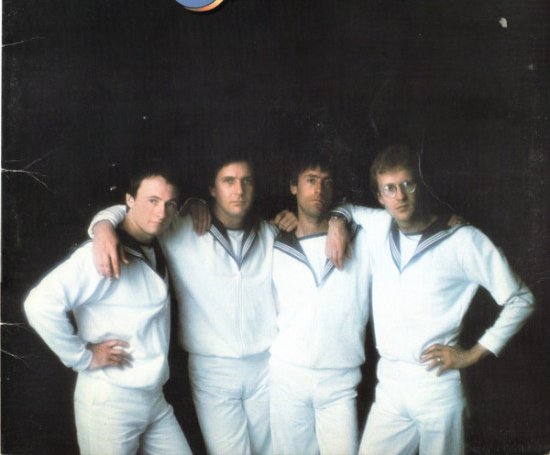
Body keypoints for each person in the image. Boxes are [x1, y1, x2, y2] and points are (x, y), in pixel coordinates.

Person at [327, 144, 535, 455]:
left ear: (421, 185)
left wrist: (472, 354)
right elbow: (346, 209)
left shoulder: (463, 240)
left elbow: (522, 299)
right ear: (380, 196)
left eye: (408, 184)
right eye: (389, 188)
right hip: (390, 386)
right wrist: (336, 223)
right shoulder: (379, 225)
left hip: (436, 384)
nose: (400, 195)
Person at [89, 154, 296, 455]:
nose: (238, 190)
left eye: (246, 181)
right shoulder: (182, 230)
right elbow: (139, 211)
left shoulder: (271, 234)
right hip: (212, 370)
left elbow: (314, 225)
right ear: (212, 189)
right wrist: (102, 225)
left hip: (265, 367)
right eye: (228, 181)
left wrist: (300, 221)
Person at [24, 160, 192, 455]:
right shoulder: (100, 254)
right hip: (109, 402)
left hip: (154, 398)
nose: (161, 212)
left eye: (170, 204)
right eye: (152, 201)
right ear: (130, 200)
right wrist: (82, 357)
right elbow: (39, 303)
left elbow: (127, 213)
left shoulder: (158, 240)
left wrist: (103, 224)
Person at [269, 155, 376, 455]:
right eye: (311, 180)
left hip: (339, 383)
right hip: (287, 378)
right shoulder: (274, 242)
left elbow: (398, 218)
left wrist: (340, 218)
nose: (319, 189)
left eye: (327, 182)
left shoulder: (362, 238)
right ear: (293, 186)